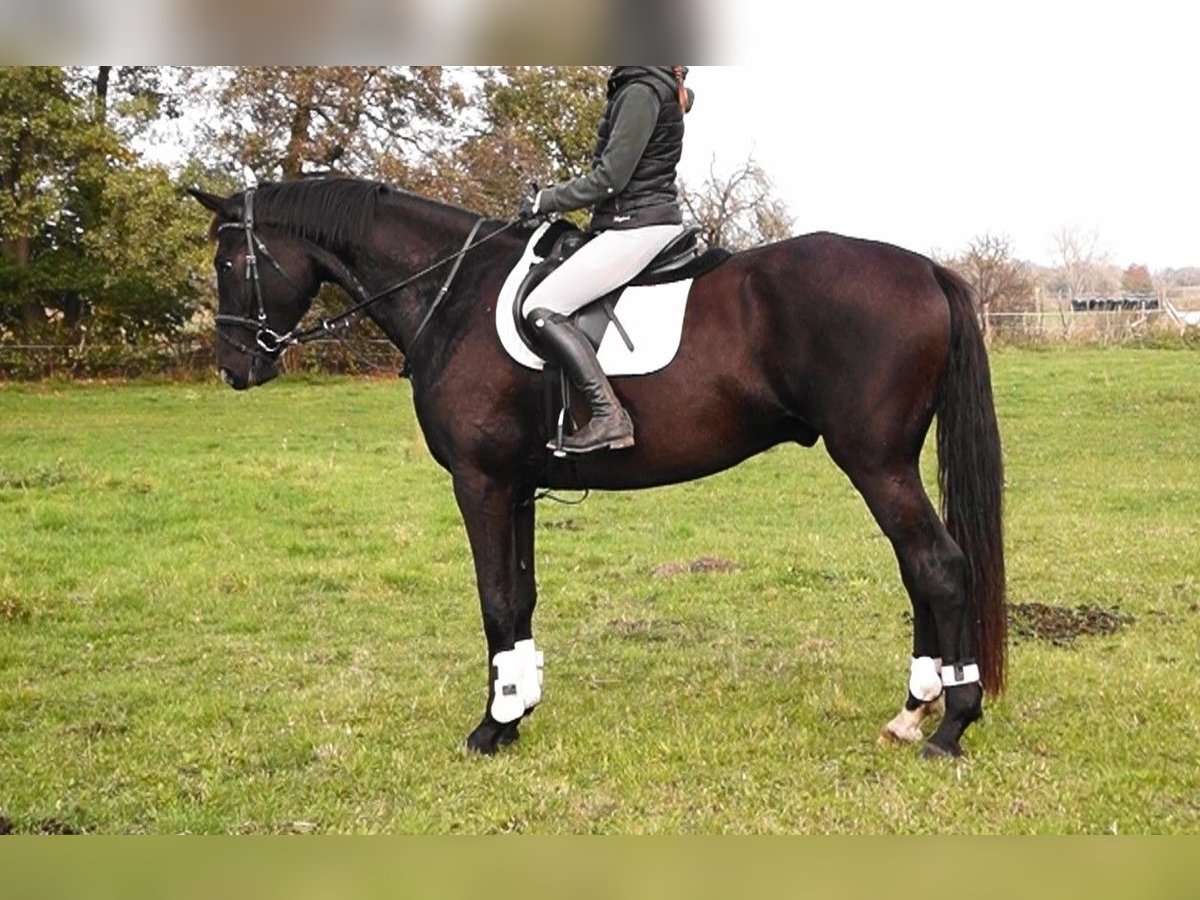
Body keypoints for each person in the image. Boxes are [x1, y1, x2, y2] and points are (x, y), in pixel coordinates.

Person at [519, 66, 694, 454]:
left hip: (634, 227)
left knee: (540, 305)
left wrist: (543, 200)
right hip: (638, 222)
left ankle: (608, 415)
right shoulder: (647, 84)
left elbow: (610, 179)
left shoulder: (640, 92)